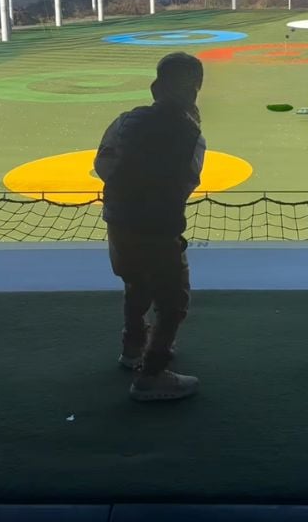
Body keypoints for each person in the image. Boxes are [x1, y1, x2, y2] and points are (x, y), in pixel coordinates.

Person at [94, 52, 206, 402]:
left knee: (135, 284)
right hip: (158, 226)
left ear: (155, 87)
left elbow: (103, 164)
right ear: (195, 92)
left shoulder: (125, 121)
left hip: (119, 220)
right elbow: (189, 178)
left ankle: (133, 349)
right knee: (173, 301)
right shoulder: (191, 133)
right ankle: (151, 375)